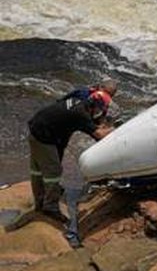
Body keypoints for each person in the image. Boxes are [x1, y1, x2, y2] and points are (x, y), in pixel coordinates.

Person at [26, 82, 115, 245]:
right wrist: (114, 128)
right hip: (44, 138)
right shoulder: (81, 115)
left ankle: (40, 200)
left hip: (38, 128)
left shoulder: (80, 99)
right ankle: (50, 207)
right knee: (53, 172)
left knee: (38, 169)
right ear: (95, 107)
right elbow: (99, 135)